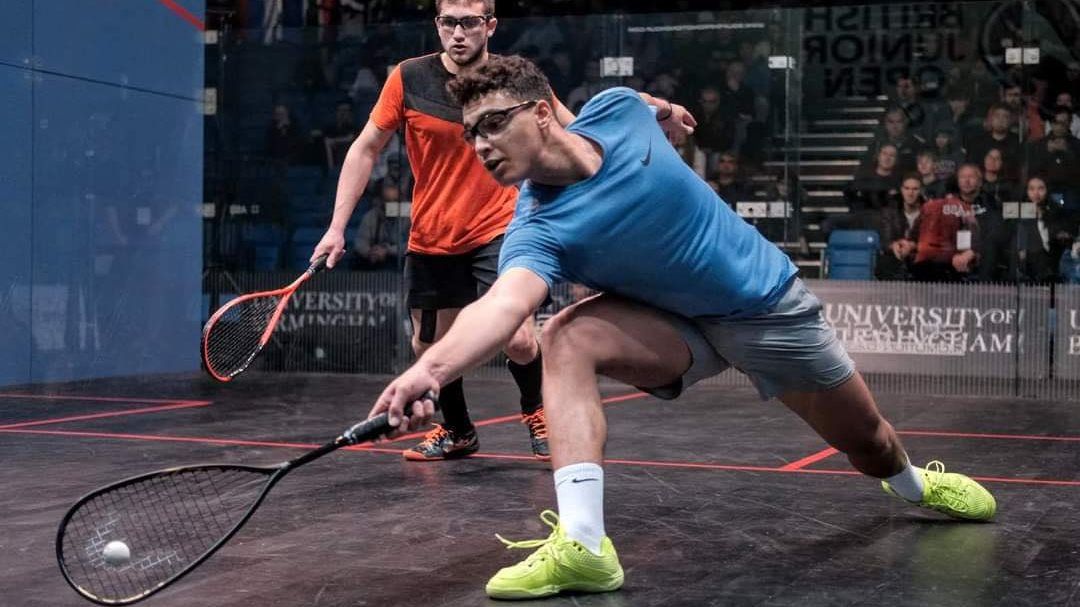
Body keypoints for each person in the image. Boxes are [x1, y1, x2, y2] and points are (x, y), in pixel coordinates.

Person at [367, 55, 996, 600]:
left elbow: (646, 104)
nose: (479, 145)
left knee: (871, 446)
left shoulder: (617, 111)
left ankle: (915, 484)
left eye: (492, 124)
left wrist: (669, 113)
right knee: (563, 337)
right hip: (673, 327)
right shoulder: (536, 228)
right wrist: (428, 371)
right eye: (471, 133)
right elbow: (504, 306)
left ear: (539, 113)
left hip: (765, 309)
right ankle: (584, 545)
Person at [310, 0, 572, 461]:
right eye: (449, 22)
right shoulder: (409, 77)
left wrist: (641, 116)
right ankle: (457, 430)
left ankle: (537, 411)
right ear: (437, 24)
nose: (458, 33)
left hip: (499, 227)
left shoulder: (515, 78)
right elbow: (366, 148)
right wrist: (336, 227)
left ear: (490, 25)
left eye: (470, 22)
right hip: (432, 235)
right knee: (430, 345)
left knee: (517, 336)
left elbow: (574, 130)